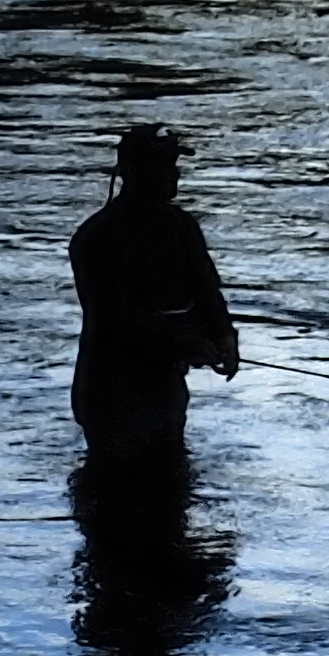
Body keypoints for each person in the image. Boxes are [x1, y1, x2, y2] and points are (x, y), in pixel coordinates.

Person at [68, 122, 238, 469]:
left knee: (170, 498)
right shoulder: (96, 239)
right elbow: (116, 321)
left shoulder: (182, 227)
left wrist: (225, 337)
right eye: (163, 166)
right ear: (135, 171)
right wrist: (188, 346)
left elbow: (207, 291)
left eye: (173, 166)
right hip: (111, 397)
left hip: (165, 392)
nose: (173, 175)